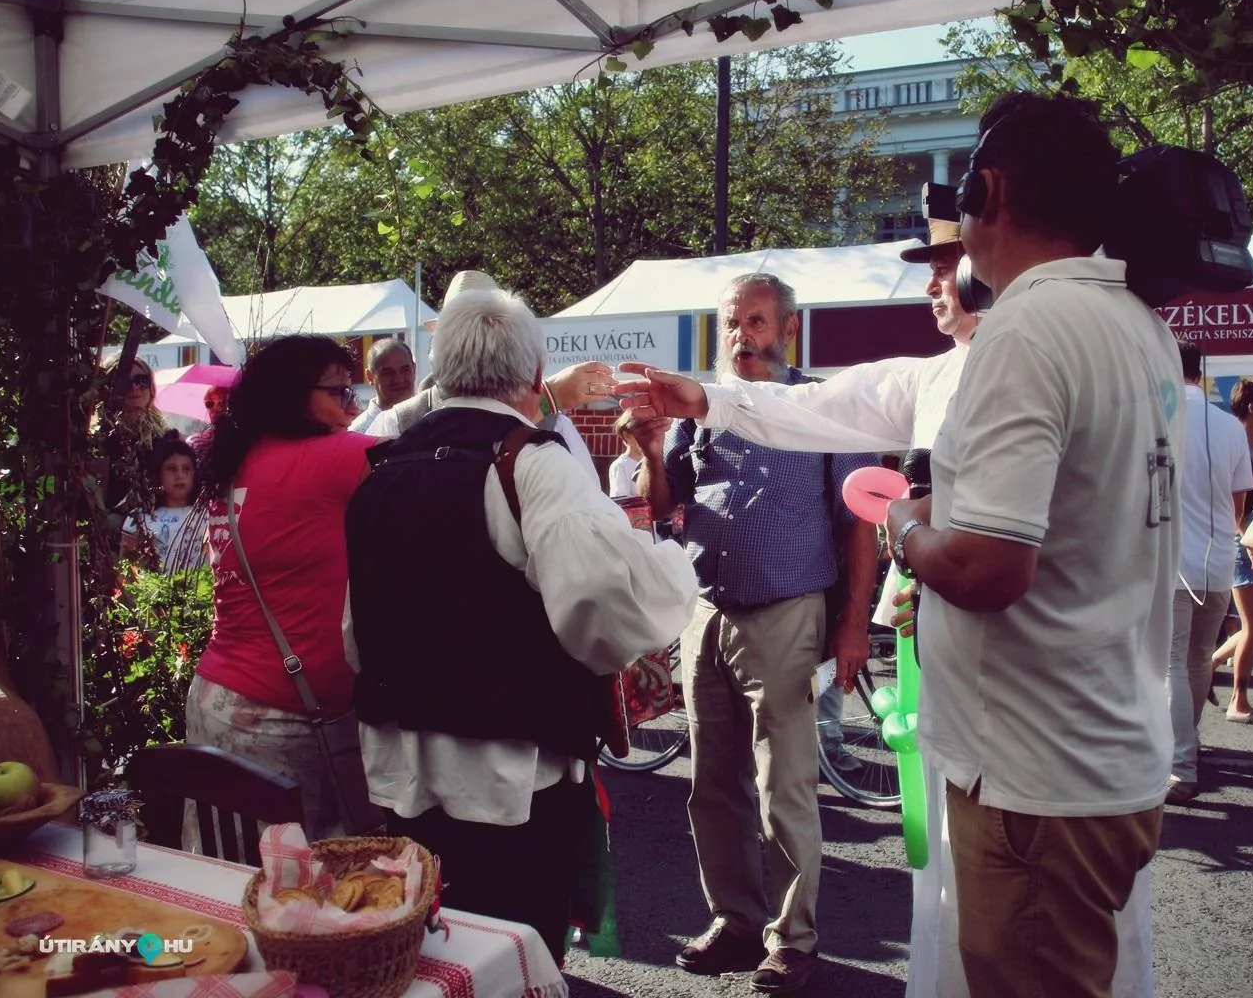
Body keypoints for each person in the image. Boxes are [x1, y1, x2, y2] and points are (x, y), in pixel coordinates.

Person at [625, 93, 1179, 998]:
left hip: (1034, 769)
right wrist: (712, 400)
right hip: (1091, 752)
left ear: (988, 192)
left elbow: (988, 569)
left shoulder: (1027, 331)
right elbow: (846, 401)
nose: (936, 275)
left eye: (947, 243)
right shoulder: (1133, 323)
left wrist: (903, 524)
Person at [343, 284, 694, 964]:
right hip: (508, 774)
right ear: (536, 376)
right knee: (512, 952)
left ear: (441, 372)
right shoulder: (531, 462)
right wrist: (673, 562)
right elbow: (610, 607)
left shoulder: (383, 468)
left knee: (432, 952)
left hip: (402, 761)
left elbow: (357, 632)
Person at [634, 272, 878, 995]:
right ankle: (735, 921)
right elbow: (664, 505)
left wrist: (854, 625)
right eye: (733, 324)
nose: (743, 337)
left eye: (758, 322)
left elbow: (859, 524)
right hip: (706, 610)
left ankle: (793, 939)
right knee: (713, 786)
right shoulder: (701, 408)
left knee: (785, 786)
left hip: (787, 611)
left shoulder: (824, 407)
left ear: (789, 330)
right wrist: (650, 450)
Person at [190, 335, 372, 839]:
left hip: (222, 700)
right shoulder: (332, 458)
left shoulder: (238, 460)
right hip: (275, 721)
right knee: (287, 879)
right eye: (340, 392)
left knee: (230, 868)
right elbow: (434, 453)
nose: (352, 408)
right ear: (294, 396)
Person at [370, 272, 612, 492]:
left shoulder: (395, 422)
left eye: (485, 334)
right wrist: (547, 399)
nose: (478, 347)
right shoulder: (395, 421)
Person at [1167, 343, 1253, 805]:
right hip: (1218, 560)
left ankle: (1181, 764)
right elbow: (1238, 506)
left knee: (1171, 664)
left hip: (1172, 562)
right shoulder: (1230, 426)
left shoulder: (1157, 417)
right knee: (1198, 659)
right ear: (1199, 373)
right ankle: (1188, 743)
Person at [1209, 379, 1253, 724]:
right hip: (1242, 539)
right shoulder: (1235, 440)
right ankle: (1238, 701)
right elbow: (1231, 500)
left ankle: (1210, 664)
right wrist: (1246, 540)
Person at [96, 354, 178, 527]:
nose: (134, 387)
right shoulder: (99, 442)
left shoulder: (169, 439)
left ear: (151, 386)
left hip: (161, 532)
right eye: (125, 382)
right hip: (111, 535)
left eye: (142, 380)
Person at [121, 437, 209, 573]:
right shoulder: (140, 518)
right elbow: (126, 571)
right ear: (158, 474)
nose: (179, 475)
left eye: (186, 468)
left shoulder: (208, 515)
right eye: (171, 469)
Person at [349, 339, 416, 434]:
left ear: (414, 370)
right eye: (388, 373)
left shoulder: (428, 420)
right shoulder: (359, 433)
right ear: (370, 377)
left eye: (405, 370)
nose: (399, 379)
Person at [188, 385, 229, 465]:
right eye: (209, 404)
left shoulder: (242, 438)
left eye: (222, 403)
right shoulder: (195, 441)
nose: (215, 408)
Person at [608, 410, 643, 499]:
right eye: (641, 433)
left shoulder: (654, 462)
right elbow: (621, 500)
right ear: (626, 435)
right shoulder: (620, 466)